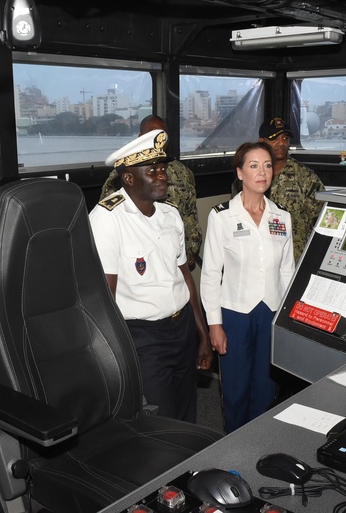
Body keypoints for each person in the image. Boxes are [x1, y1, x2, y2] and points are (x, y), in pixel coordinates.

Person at [89, 130, 212, 422]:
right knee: (159, 419)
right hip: (143, 338)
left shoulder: (170, 215)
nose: (162, 176)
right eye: (152, 170)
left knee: (186, 413)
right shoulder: (106, 219)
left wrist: (202, 334)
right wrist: (113, 358)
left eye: (162, 168)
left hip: (181, 329)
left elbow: (185, 278)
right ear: (129, 178)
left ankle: (188, 468)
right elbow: (104, 298)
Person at [201, 142, 294, 433]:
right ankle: (232, 446)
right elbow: (210, 274)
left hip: (271, 312)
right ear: (240, 172)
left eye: (267, 165)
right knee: (236, 389)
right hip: (236, 315)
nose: (262, 172)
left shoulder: (282, 216)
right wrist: (214, 325)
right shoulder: (222, 216)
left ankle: (258, 442)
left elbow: (287, 270)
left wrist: (288, 321)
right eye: (253, 166)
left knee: (267, 387)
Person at [101, 115, 201, 269]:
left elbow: (190, 214)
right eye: (152, 134)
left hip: (173, 248)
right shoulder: (123, 174)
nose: (159, 140)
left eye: (163, 134)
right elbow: (111, 218)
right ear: (140, 137)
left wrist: (192, 248)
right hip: (138, 252)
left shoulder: (183, 172)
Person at [259, 117, 324, 262]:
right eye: (274, 138)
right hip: (259, 259)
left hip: (294, 259)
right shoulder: (251, 178)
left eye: (285, 138)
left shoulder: (305, 178)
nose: (281, 143)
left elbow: (321, 220)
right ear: (262, 142)